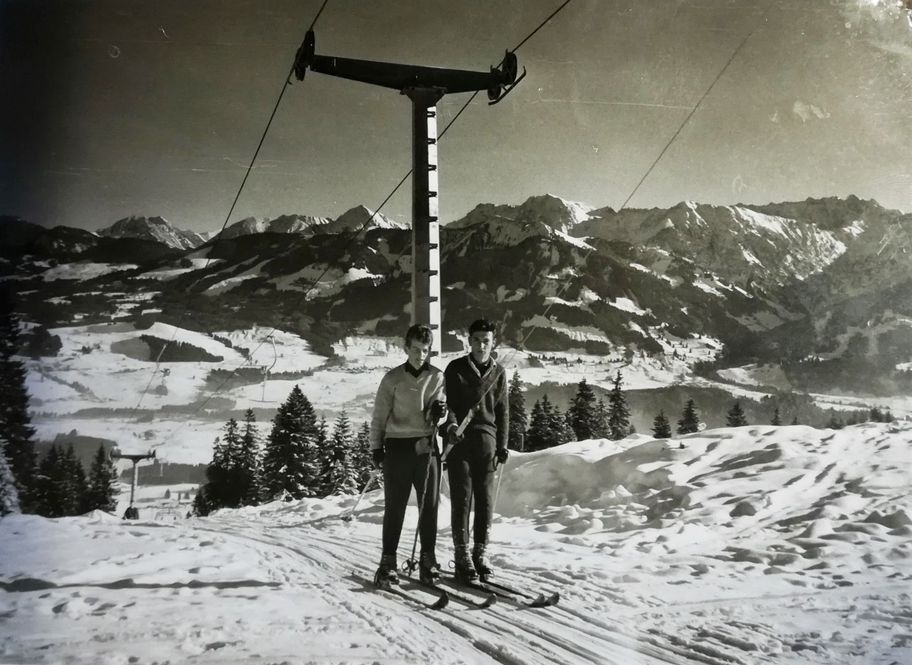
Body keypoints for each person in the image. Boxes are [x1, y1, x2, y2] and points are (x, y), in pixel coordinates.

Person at [370, 324, 447, 588]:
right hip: (398, 448)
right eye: (416, 350)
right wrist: (375, 447)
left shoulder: (437, 377)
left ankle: (428, 560)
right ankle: (387, 562)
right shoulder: (392, 379)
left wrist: (440, 411)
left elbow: (441, 409)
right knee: (395, 507)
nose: (420, 355)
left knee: (430, 508)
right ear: (406, 348)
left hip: (426, 447)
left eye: (425, 351)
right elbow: (379, 416)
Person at [442, 319, 509, 583]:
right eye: (477, 339)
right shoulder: (455, 369)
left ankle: (480, 553)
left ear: (493, 343)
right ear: (469, 341)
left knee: (485, 500)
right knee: (462, 498)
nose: (482, 345)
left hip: (487, 444)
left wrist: (503, 445)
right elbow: (446, 404)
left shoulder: (499, 372)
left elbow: (503, 412)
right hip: (460, 442)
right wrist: (451, 427)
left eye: (487, 340)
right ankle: (462, 556)